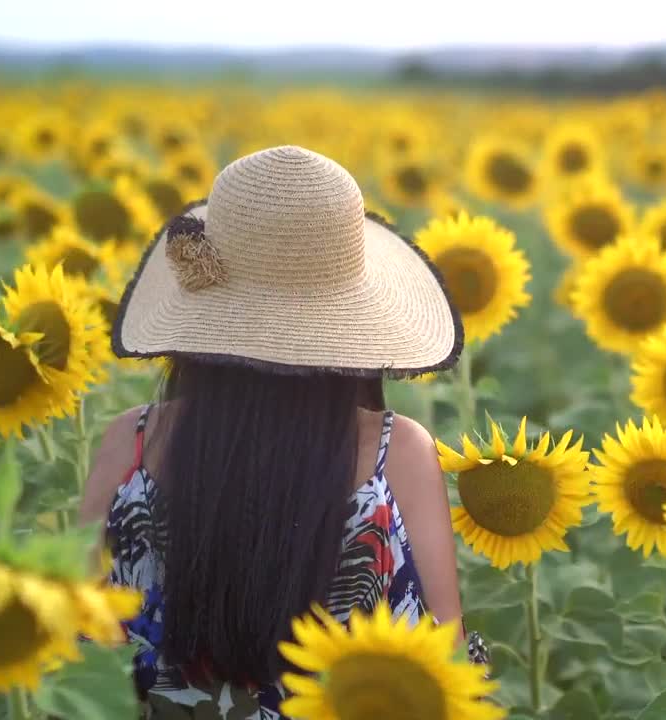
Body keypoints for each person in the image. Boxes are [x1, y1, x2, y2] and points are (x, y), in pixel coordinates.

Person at [78, 145, 475, 717]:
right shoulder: (399, 456)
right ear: (353, 323)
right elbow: (447, 660)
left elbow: (74, 649)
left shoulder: (130, 445)